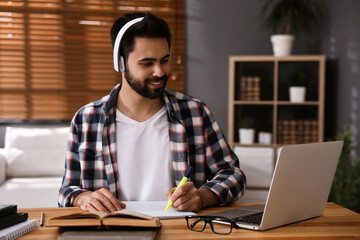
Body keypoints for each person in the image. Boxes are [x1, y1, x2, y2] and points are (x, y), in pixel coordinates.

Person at [58, 12, 246, 213]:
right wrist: (83, 197)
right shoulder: (86, 119)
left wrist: (203, 196)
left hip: (180, 231)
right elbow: (67, 191)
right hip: (113, 231)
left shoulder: (195, 112)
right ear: (120, 64)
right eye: (147, 63)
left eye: (164, 60)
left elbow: (233, 175)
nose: (160, 72)